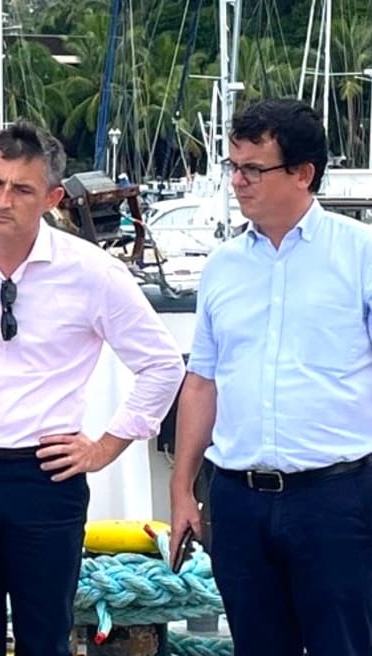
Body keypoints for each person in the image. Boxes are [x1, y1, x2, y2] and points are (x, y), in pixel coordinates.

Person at [0, 120, 185, 655]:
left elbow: (162, 363)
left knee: (45, 640)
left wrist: (104, 447)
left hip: (44, 479)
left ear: (52, 197)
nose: (2, 200)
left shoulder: (92, 273)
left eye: (21, 189)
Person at [170, 98, 372, 656]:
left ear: (303, 174)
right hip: (237, 502)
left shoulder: (360, 255)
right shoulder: (221, 266)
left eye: (253, 169)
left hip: (336, 499)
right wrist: (182, 488)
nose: (237, 181)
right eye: (233, 166)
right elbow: (202, 382)